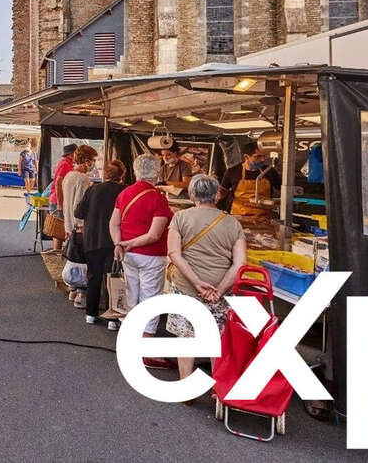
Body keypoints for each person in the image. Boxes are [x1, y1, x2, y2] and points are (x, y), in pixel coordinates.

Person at [166, 174, 247, 392]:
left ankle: (186, 386)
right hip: (220, 289)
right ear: (217, 195)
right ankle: (217, 388)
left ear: (192, 194)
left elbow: (174, 254)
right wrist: (219, 289)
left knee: (186, 335)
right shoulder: (232, 223)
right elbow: (240, 264)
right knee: (217, 336)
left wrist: (197, 282)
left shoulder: (180, 218)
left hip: (186, 286)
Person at [110, 153, 174, 368]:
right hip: (151, 255)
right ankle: (147, 350)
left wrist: (120, 244)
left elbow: (114, 224)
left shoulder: (125, 193)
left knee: (132, 295)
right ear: (157, 173)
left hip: (128, 255)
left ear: (136, 171)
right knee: (150, 299)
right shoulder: (158, 198)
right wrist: (129, 244)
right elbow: (155, 235)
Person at [75, 158, 127, 329]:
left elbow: (79, 212)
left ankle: (91, 313)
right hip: (115, 241)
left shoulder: (93, 189)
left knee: (94, 277)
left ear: (105, 173)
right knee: (113, 278)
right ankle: (113, 318)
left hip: (93, 239)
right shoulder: (125, 191)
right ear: (122, 175)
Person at [61, 144, 98, 307]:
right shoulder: (83, 179)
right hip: (80, 226)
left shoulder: (69, 176)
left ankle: (72, 290)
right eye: (94, 160)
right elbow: (80, 206)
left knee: (73, 256)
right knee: (83, 260)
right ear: (87, 160)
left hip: (69, 224)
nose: (94, 164)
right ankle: (81, 295)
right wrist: (82, 225)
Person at [220, 141, 281, 217]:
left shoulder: (269, 171)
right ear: (246, 157)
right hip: (239, 217)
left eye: (264, 156)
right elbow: (222, 192)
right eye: (258, 156)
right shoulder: (232, 172)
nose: (262, 160)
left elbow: (282, 191)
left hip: (264, 218)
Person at [47, 143, 78, 256]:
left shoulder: (67, 164)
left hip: (59, 200)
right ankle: (57, 253)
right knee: (59, 230)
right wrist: (60, 203)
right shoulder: (65, 164)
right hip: (58, 200)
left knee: (60, 229)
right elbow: (59, 182)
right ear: (71, 154)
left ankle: (58, 253)